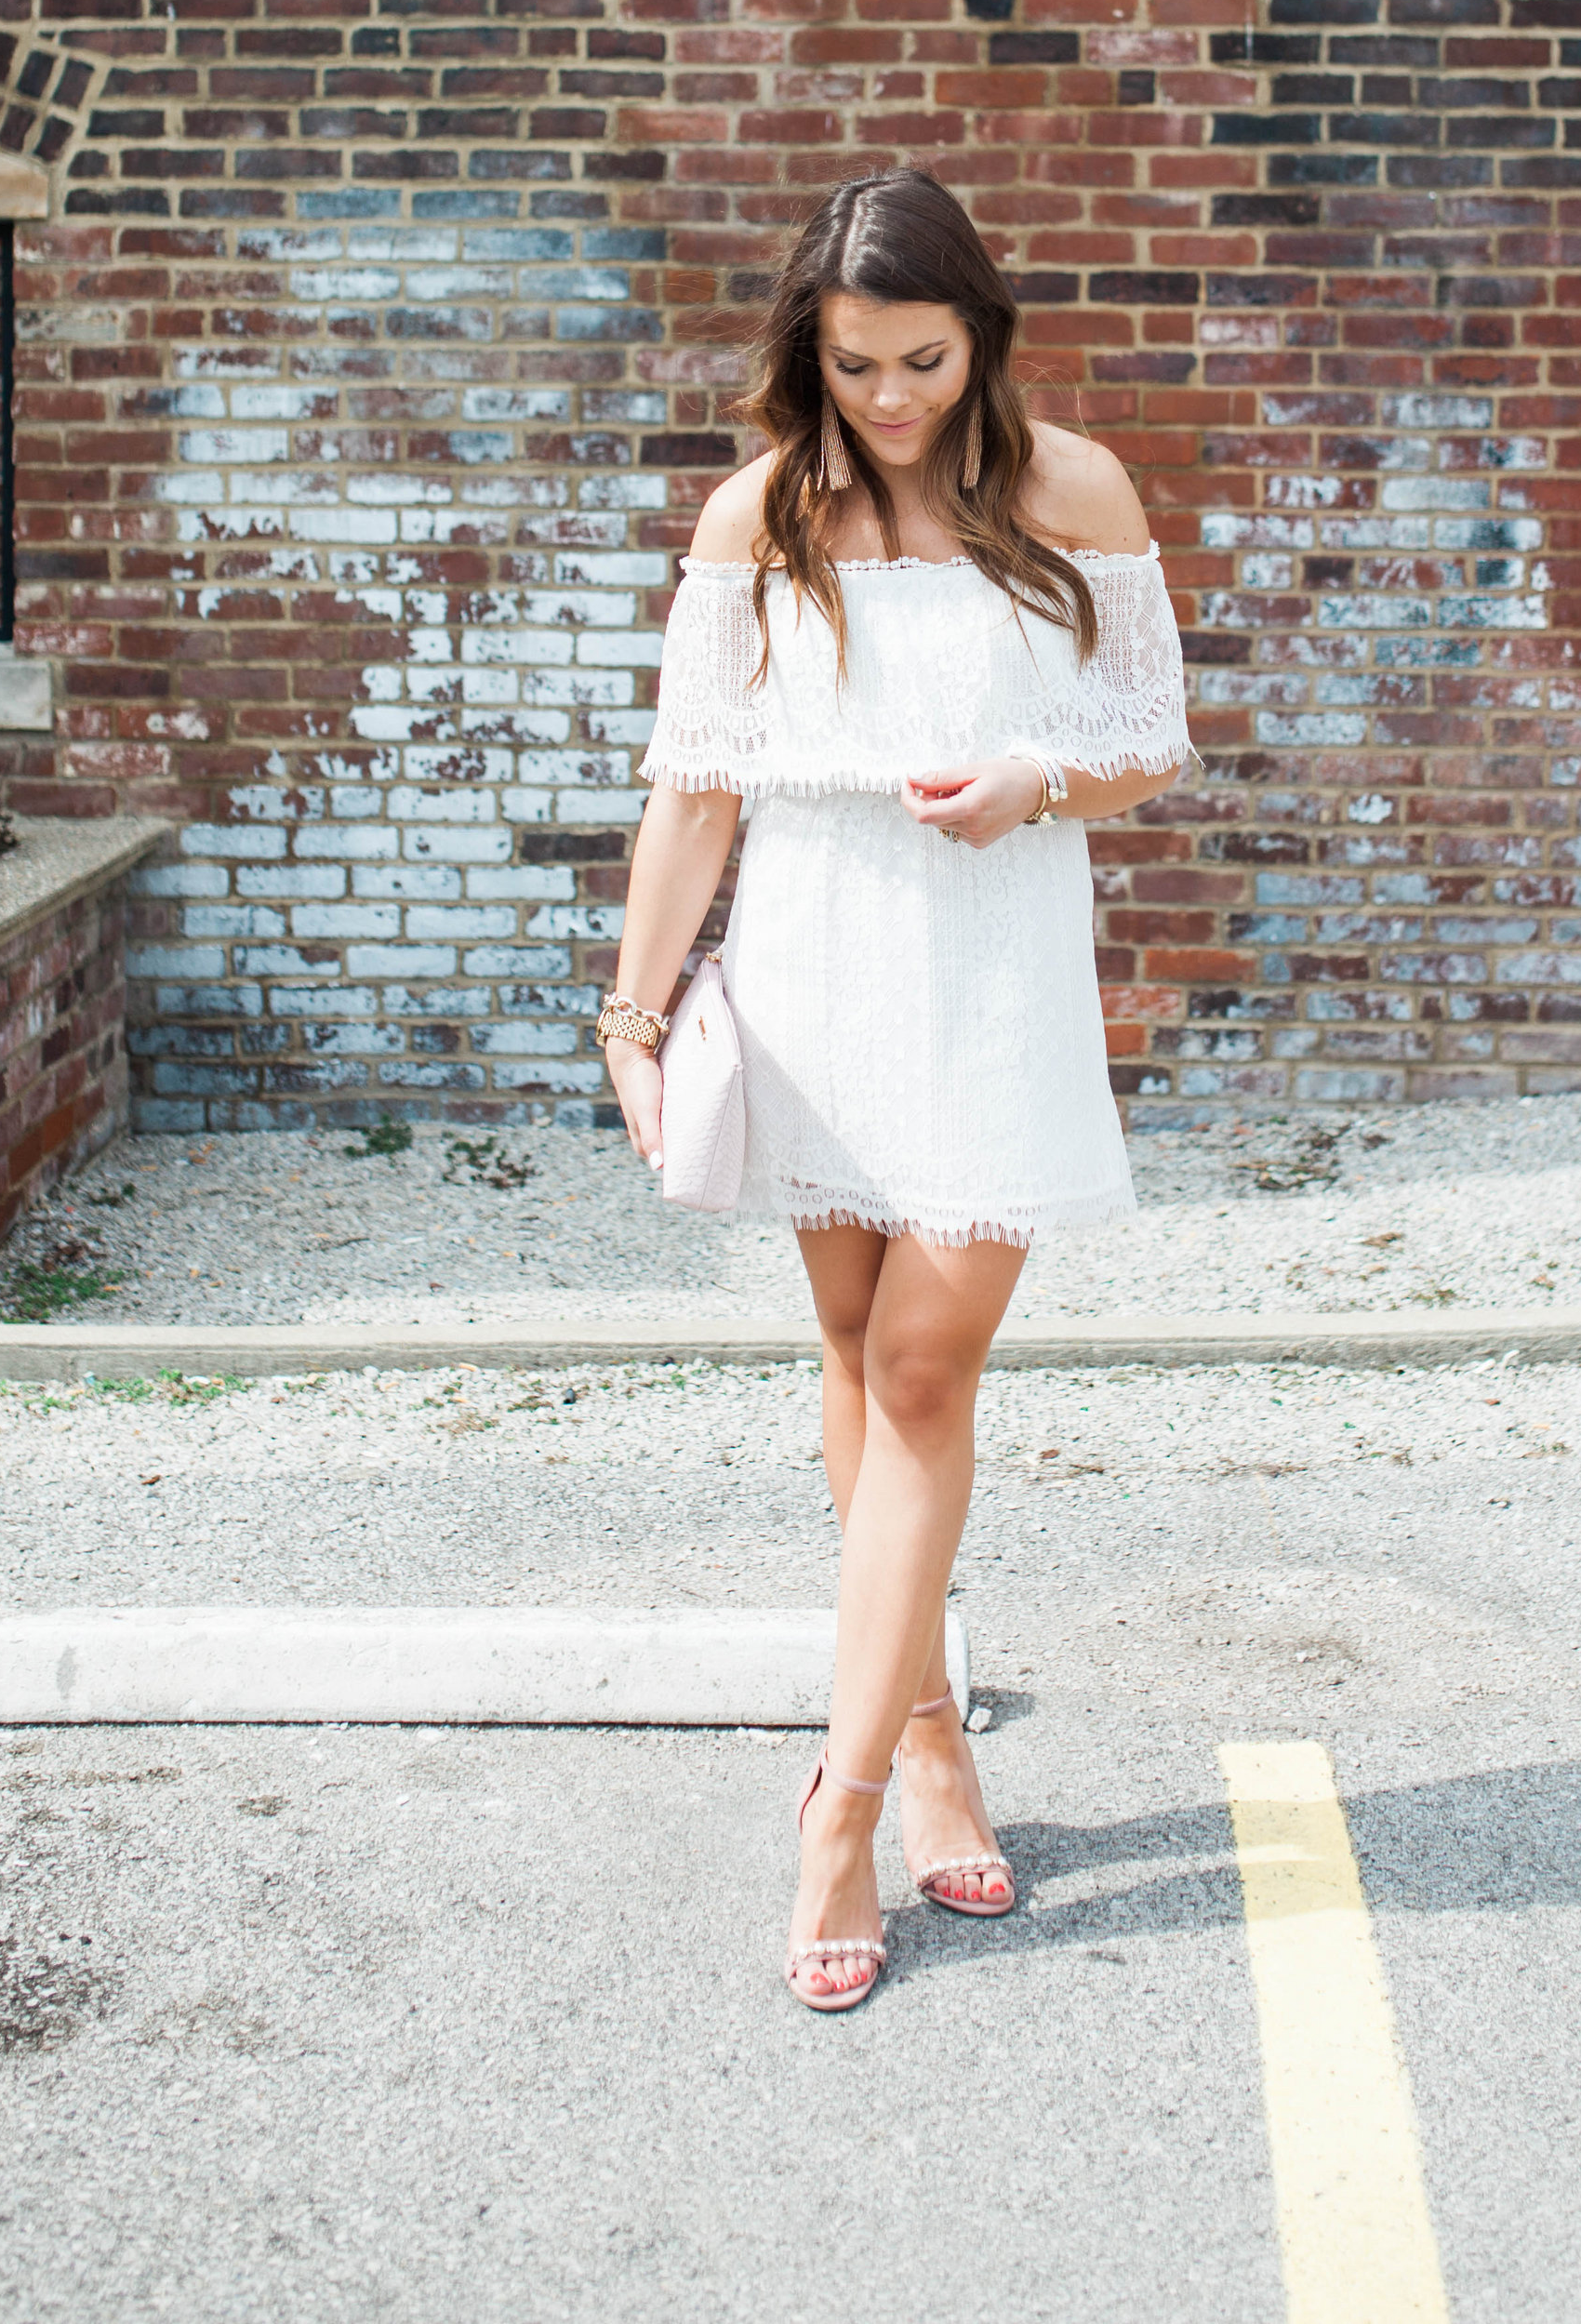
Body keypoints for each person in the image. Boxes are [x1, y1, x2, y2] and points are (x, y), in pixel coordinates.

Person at [595, 167, 1193, 2011]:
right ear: (810, 351)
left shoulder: (1073, 489)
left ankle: (835, 1804)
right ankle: (927, 1730)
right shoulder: (756, 512)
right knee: (856, 1358)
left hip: (993, 970)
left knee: (925, 1365)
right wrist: (630, 1018)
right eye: (855, 364)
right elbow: (694, 781)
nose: (893, 398)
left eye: (922, 357)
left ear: (979, 333)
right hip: (815, 964)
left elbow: (1149, 743)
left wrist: (1037, 781)